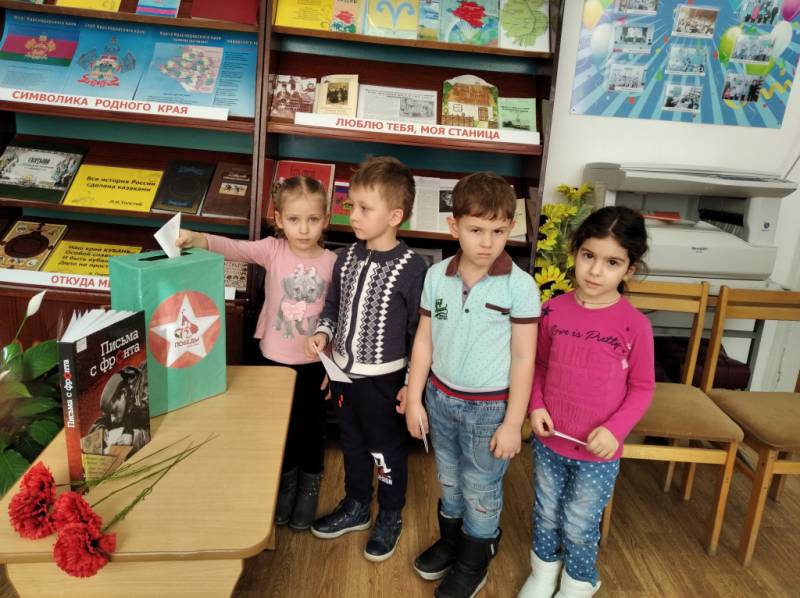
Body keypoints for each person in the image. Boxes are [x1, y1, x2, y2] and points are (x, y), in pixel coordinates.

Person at [402, 172, 540, 598]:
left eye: (498, 231)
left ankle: (473, 561)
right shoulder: (435, 276)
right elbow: (424, 341)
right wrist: (414, 397)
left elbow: (524, 358)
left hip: (489, 411)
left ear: (510, 228)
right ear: (454, 226)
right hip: (440, 399)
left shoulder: (521, 287)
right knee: (448, 478)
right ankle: (453, 541)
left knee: (480, 487)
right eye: (476, 230)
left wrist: (513, 423)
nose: (487, 242)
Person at [176, 176, 336, 531]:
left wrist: (333, 365)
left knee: (310, 430)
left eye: (312, 219)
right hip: (272, 361)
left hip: (313, 366)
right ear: (279, 219)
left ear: (325, 219)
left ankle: (309, 487)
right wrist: (196, 238)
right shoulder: (272, 250)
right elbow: (233, 248)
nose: (304, 229)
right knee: (277, 430)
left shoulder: (333, 262)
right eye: (294, 219)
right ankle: (286, 484)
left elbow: (338, 316)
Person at [518, 206, 655, 598]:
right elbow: (538, 365)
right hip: (550, 441)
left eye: (612, 262)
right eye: (588, 256)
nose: (595, 271)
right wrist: (536, 405)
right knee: (546, 511)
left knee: (580, 522)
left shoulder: (635, 325)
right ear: (574, 252)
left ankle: (579, 581)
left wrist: (615, 430)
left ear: (629, 270)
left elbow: (643, 387)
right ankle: (543, 573)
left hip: (598, 452)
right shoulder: (551, 311)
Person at [304, 156, 427, 562]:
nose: (352, 215)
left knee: (385, 450)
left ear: (394, 216)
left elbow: (419, 334)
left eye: (364, 208)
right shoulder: (345, 258)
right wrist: (323, 335)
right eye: (350, 205)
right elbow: (333, 307)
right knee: (352, 443)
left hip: (383, 383)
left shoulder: (413, 269)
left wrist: (410, 385)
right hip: (343, 376)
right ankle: (357, 504)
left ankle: (390, 513)